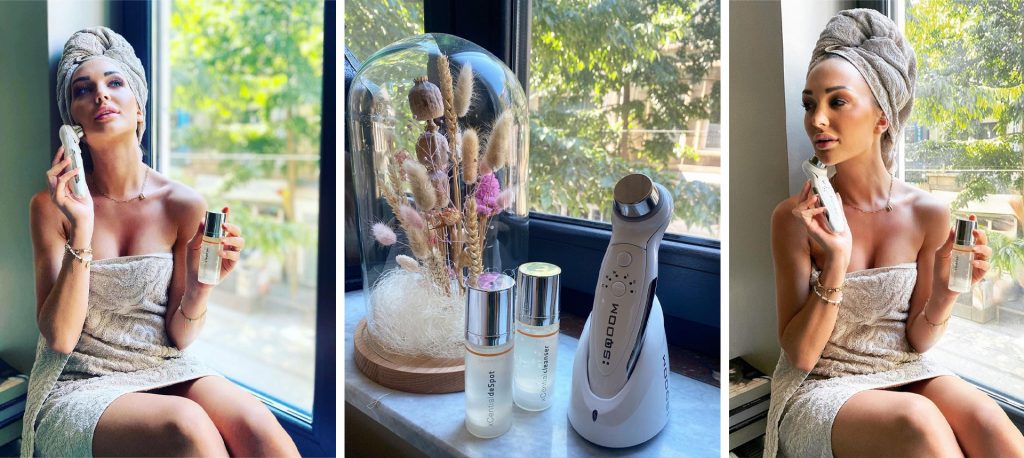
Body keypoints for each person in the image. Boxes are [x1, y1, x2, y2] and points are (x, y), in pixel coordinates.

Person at [21, 27, 300, 457]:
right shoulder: (51, 207)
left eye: (115, 83)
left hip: (162, 363)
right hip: (77, 381)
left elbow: (180, 336)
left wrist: (201, 287)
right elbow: (59, 338)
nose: (101, 95)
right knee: (187, 427)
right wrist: (83, 226)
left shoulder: (182, 204)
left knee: (260, 428)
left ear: (138, 108)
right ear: (72, 122)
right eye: (84, 89)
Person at [764, 9, 1024, 457]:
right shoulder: (795, 218)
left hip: (902, 367)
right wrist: (837, 262)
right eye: (810, 104)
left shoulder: (928, 213)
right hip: (819, 387)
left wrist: (945, 294)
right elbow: (802, 355)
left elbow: (918, 340)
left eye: (836, 102)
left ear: (882, 117)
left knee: (990, 424)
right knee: (918, 422)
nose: (816, 120)